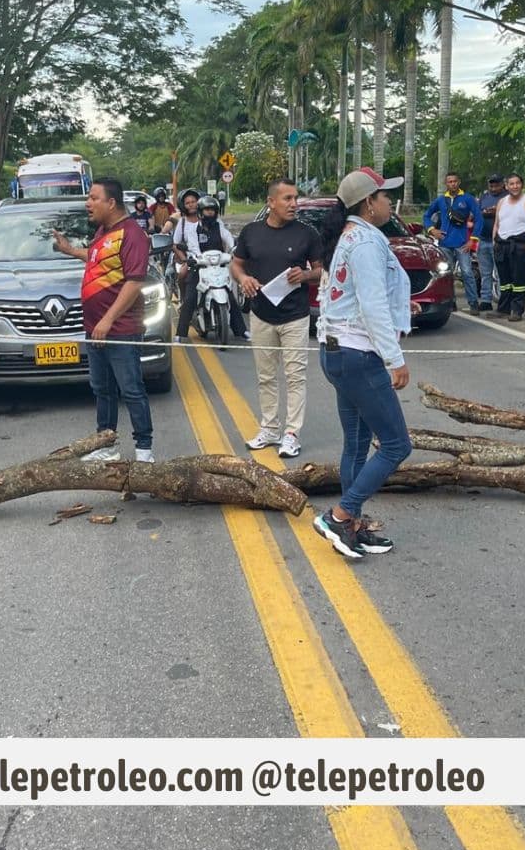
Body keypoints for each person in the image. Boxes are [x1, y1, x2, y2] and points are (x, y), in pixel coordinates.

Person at [311, 168, 410, 560]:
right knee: (396, 445)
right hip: (358, 355)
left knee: (355, 444)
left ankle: (350, 527)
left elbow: (346, 297)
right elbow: (370, 306)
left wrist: (403, 307)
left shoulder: (347, 238)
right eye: (385, 196)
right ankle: (341, 515)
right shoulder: (366, 241)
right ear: (369, 203)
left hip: (336, 351)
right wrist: (395, 359)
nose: (390, 202)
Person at [51, 177, 155, 463]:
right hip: (95, 329)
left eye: (94, 198)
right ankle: (106, 444)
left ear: (111, 202)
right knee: (102, 390)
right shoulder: (103, 232)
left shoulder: (132, 234)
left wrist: (108, 319)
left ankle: (144, 451)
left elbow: (134, 282)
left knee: (131, 390)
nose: (88, 203)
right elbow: (98, 257)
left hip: (119, 330)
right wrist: (70, 250)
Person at [232, 178, 324, 459]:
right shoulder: (251, 232)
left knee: (295, 377)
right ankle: (270, 429)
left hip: (295, 316)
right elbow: (236, 264)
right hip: (261, 315)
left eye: (295, 198)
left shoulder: (307, 234)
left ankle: (291, 433)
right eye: (287, 199)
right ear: (271, 202)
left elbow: (321, 271)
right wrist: (243, 278)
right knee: (266, 377)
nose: (294, 204)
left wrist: (306, 275)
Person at [174, 196, 245, 341]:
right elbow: (193, 247)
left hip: (219, 266)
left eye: (213, 210)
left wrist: (233, 250)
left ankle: (242, 331)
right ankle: (180, 334)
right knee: (190, 298)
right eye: (207, 210)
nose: (210, 213)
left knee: (230, 295)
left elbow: (228, 239)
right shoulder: (194, 230)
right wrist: (196, 258)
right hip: (199, 266)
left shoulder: (220, 226)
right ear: (200, 212)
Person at [422, 172, 481, 313]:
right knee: (447, 275)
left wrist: (472, 240)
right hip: (444, 244)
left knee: (467, 273)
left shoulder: (467, 199)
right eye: (449, 181)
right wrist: (432, 230)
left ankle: (473, 303)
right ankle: (451, 302)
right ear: (446, 184)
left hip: (462, 244)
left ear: (458, 182)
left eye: (455, 181)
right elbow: (426, 215)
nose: (452, 184)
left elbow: (479, 218)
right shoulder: (441, 200)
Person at [491, 174, 525, 321]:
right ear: (506, 186)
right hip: (502, 245)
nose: (514, 186)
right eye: (511, 184)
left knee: (519, 280)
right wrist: (494, 239)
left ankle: (517, 311)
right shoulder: (502, 202)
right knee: (504, 280)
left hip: (519, 245)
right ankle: (503, 308)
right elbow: (497, 223)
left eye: (517, 183)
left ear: (522, 184)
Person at [474, 174, 506, 309]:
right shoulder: (485, 197)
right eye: (491, 185)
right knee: (485, 272)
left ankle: (501, 300)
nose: (493, 188)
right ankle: (486, 300)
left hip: (499, 240)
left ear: (502, 184)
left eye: (496, 185)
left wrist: (496, 211)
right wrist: (483, 212)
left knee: (500, 273)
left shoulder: (506, 197)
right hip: (483, 238)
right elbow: (477, 211)